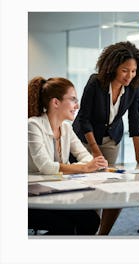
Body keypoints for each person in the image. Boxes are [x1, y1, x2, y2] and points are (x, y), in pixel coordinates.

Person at [72, 41, 139, 235]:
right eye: (125, 70)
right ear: (113, 66)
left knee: (108, 187)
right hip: (84, 139)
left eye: (133, 71)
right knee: (86, 187)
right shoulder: (95, 83)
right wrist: (96, 154)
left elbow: (134, 118)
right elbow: (84, 119)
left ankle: (102, 234)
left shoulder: (133, 86)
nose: (129, 76)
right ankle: (85, 231)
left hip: (111, 139)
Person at [28, 76, 108, 235]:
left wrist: (91, 164)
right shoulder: (33, 125)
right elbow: (46, 167)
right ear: (55, 102)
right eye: (72, 100)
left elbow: (85, 157)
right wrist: (85, 168)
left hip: (55, 192)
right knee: (64, 227)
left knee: (91, 220)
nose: (77, 106)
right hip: (32, 197)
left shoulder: (66, 128)